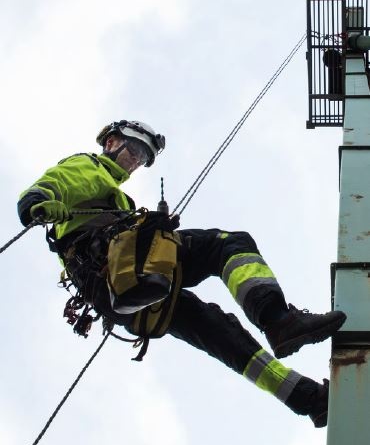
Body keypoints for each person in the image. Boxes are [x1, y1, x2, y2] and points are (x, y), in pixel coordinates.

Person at [17, 120, 346, 427]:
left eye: (141, 159)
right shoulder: (92, 167)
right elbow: (59, 183)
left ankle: (309, 400)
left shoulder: (117, 198)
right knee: (227, 245)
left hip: (121, 293)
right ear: (112, 142)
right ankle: (278, 320)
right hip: (124, 265)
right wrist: (37, 201)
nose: (133, 163)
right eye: (132, 152)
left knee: (219, 332)